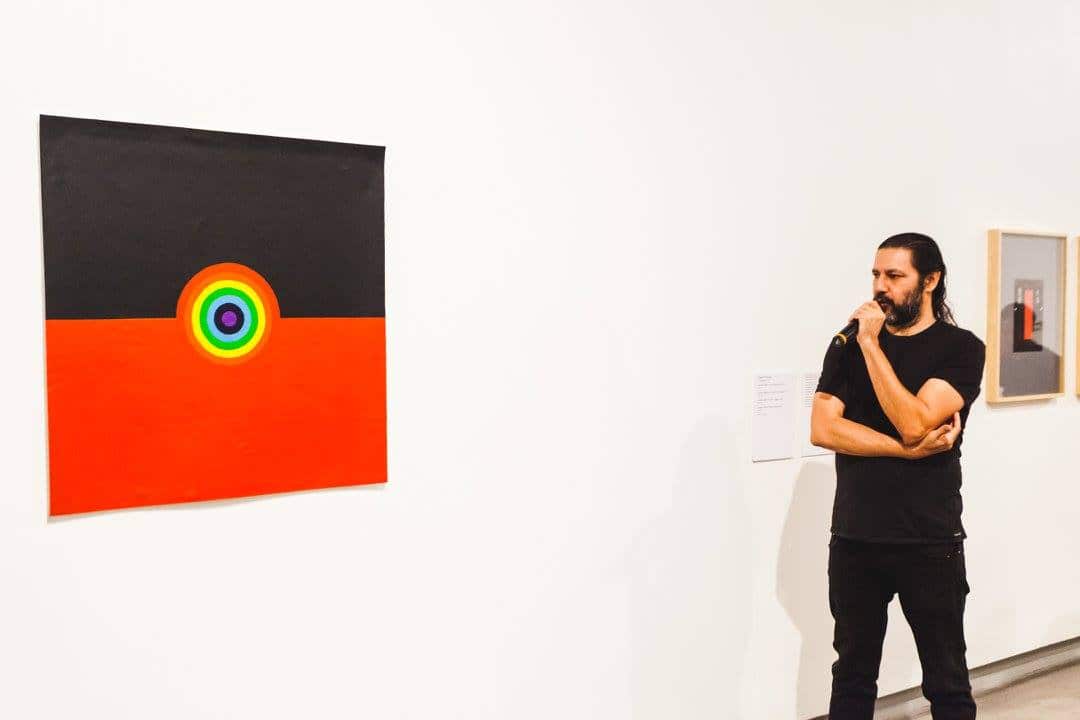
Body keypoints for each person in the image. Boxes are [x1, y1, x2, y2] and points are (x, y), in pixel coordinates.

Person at [810, 232, 986, 720]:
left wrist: (871, 345)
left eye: (894, 276)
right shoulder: (846, 344)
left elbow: (915, 420)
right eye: (875, 275)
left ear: (930, 280)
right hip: (855, 538)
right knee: (851, 677)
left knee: (946, 682)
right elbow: (823, 428)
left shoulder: (961, 349)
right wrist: (904, 453)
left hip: (928, 540)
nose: (880, 287)